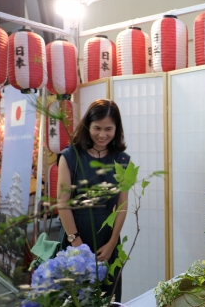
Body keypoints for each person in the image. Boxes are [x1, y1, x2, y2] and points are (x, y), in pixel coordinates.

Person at [57, 99, 130, 303]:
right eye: (97, 128)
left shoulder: (122, 160)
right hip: (76, 233)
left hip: (107, 236)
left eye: (109, 129)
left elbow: (122, 205)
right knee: (76, 298)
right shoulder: (70, 156)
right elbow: (62, 203)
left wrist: (113, 242)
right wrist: (76, 241)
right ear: (87, 126)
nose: (102, 134)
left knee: (108, 296)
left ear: (117, 129)